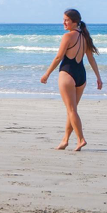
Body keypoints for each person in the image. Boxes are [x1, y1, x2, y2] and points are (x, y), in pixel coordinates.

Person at [41, 10, 102, 151]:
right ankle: (65, 140)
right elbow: (91, 58)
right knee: (72, 110)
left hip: (67, 74)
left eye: (66, 20)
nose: (64, 22)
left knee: (71, 110)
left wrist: (47, 74)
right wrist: (98, 77)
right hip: (81, 76)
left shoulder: (67, 36)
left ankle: (81, 139)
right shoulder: (84, 36)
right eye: (63, 19)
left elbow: (58, 57)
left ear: (75, 22)